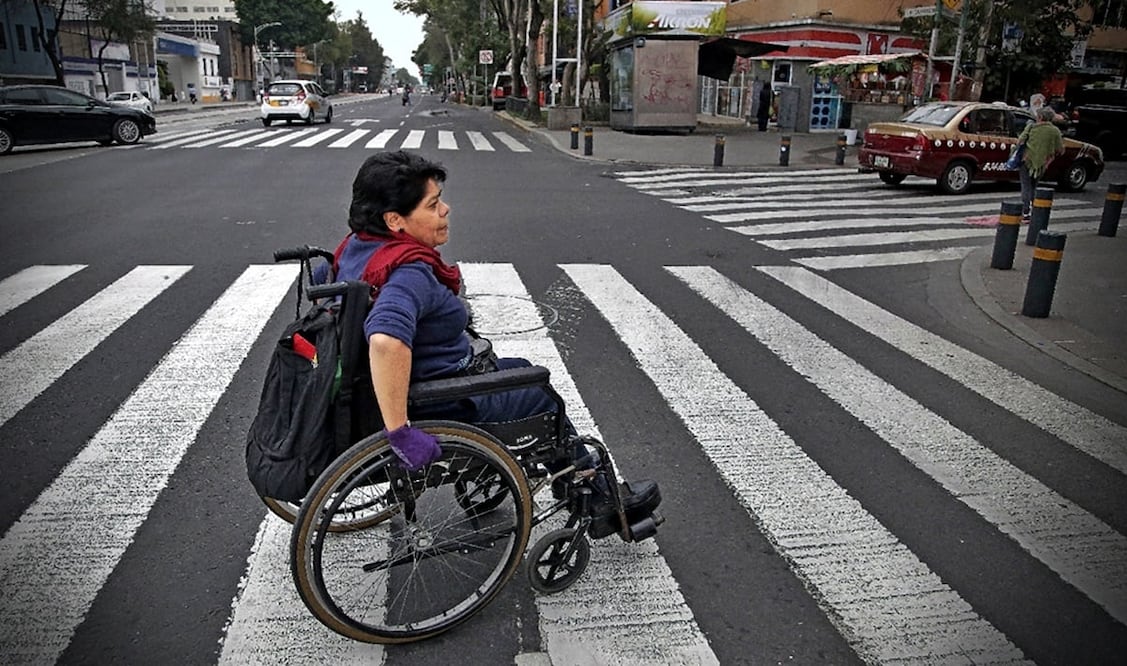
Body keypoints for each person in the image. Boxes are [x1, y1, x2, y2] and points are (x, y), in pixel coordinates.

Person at [320, 151, 612, 502]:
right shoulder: (408, 274)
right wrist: (399, 432)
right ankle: (594, 494)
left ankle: (538, 474)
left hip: (415, 383)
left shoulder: (355, 248)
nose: (445, 210)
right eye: (432, 205)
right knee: (541, 393)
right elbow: (385, 340)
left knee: (517, 368)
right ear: (395, 220)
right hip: (444, 399)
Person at [1016, 107, 1065, 220]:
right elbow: (1059, 149)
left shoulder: (1031, 127)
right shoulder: (1055, 131)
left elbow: (1020, 141)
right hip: (1043, 163)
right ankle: (1035, 210)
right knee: (1034, 186)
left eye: (1037, 116)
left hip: (1026, 160)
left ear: (1041, 117)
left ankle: (1025, 211)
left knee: (1026, 186)